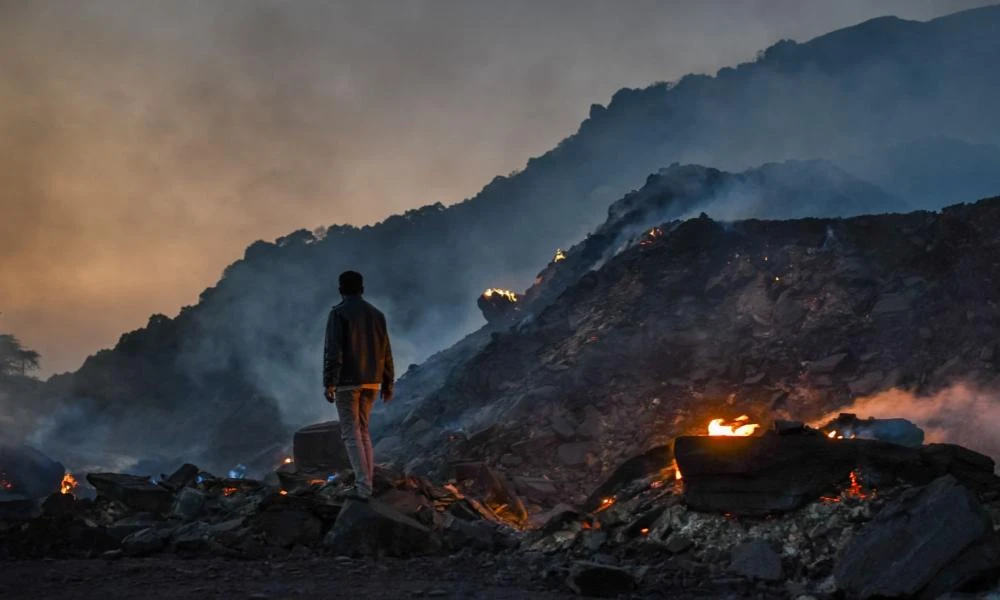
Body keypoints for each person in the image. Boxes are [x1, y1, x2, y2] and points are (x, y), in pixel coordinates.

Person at [323, 270, 394, 500]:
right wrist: (387, 382)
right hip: (372, 382)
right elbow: (386, 351)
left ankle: (363, 488)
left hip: (347, 382)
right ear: (362, 289)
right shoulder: (377, 314)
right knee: (363, 431)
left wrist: (329, 382)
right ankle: (367, 483)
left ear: (340, 290)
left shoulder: (338, 314)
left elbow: (334, 351)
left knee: (351, 433)